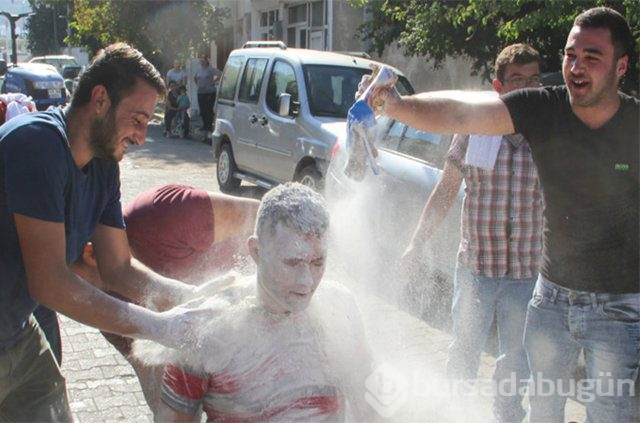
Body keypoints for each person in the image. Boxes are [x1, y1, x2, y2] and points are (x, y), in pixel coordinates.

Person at [361, 7, 638, 422]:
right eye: (570, 55)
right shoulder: (544, 109)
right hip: (550, 299)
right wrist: (395, 105)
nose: (577, 67)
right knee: (542, 409)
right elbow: (460, 113)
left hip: (618, 306)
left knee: (611, 412)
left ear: (621, 66)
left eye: (592, 57)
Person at [0, 43, 209, 421]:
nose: (143, 136)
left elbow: (119, 269)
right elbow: (49, 283)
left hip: (16, 332)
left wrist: (196, 299)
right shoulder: (36, 144)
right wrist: (161, 327)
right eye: (138, 119)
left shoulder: (103, 166)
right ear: (100, 99)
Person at [145, 183, 374, 422]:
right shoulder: (205, 327)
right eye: (292, 263)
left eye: (318, 262)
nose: (307, 281)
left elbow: (373, 391)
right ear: (256, 251)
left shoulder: (339, 306)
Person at [401, 43, 544, 423]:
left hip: (526, 274)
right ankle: (453, 415)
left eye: (534, 80)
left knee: (516, 362)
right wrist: (417, 241)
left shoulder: (548, 135)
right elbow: (446, 190)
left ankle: (507, 417)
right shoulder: (475, 129)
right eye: (517, 81)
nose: (527, 88)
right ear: (499, 87)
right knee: (463, 354)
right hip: (477, 269)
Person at [70, 183, 260, 415]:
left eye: (63, 277)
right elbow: (160, 393)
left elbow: (272, 219)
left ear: (90, 254)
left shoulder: (164, 214)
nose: (66, 296)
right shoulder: (110, 311)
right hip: (234, 362)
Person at [193, 54, 221, 133]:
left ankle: (209, 126)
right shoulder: (199, 69)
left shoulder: (210, 69)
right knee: (202, 110)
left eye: (203, 59)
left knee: (208, 109)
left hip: (209, 92)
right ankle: (205, 125)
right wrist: (199, 84)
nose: (201, 61)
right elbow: (195, 78)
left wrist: (214, 81)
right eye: (200, 59)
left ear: (206, 61)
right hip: (201, 92)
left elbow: (220, 74)